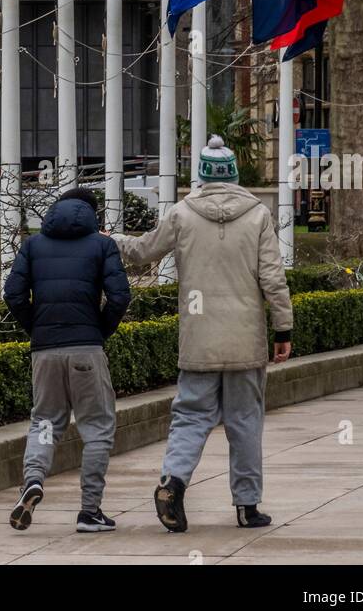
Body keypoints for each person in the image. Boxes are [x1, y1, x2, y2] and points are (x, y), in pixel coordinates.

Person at [108, 135, 292, 533]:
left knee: (190, 417)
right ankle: (247, 506)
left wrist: (112, 242)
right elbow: (273, 279)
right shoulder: (258, 215)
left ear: (202, 176)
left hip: (199, 339)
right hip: (246, 340)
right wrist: (283, 329)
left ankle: (172, 482)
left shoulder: (181, 214)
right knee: (245, 422)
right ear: (234, 174)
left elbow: (143, 252)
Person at [3, 187, 132, 534]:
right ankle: (89, 511)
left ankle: (33, 480)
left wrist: (38, 328)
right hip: (86, 349)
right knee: (97, 428)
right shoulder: (103, 245)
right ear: (93, 214)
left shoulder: (32, 245)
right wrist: (99, 331)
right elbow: (120, 296)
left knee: (45, 420)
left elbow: (12, 293)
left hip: (44, 351)